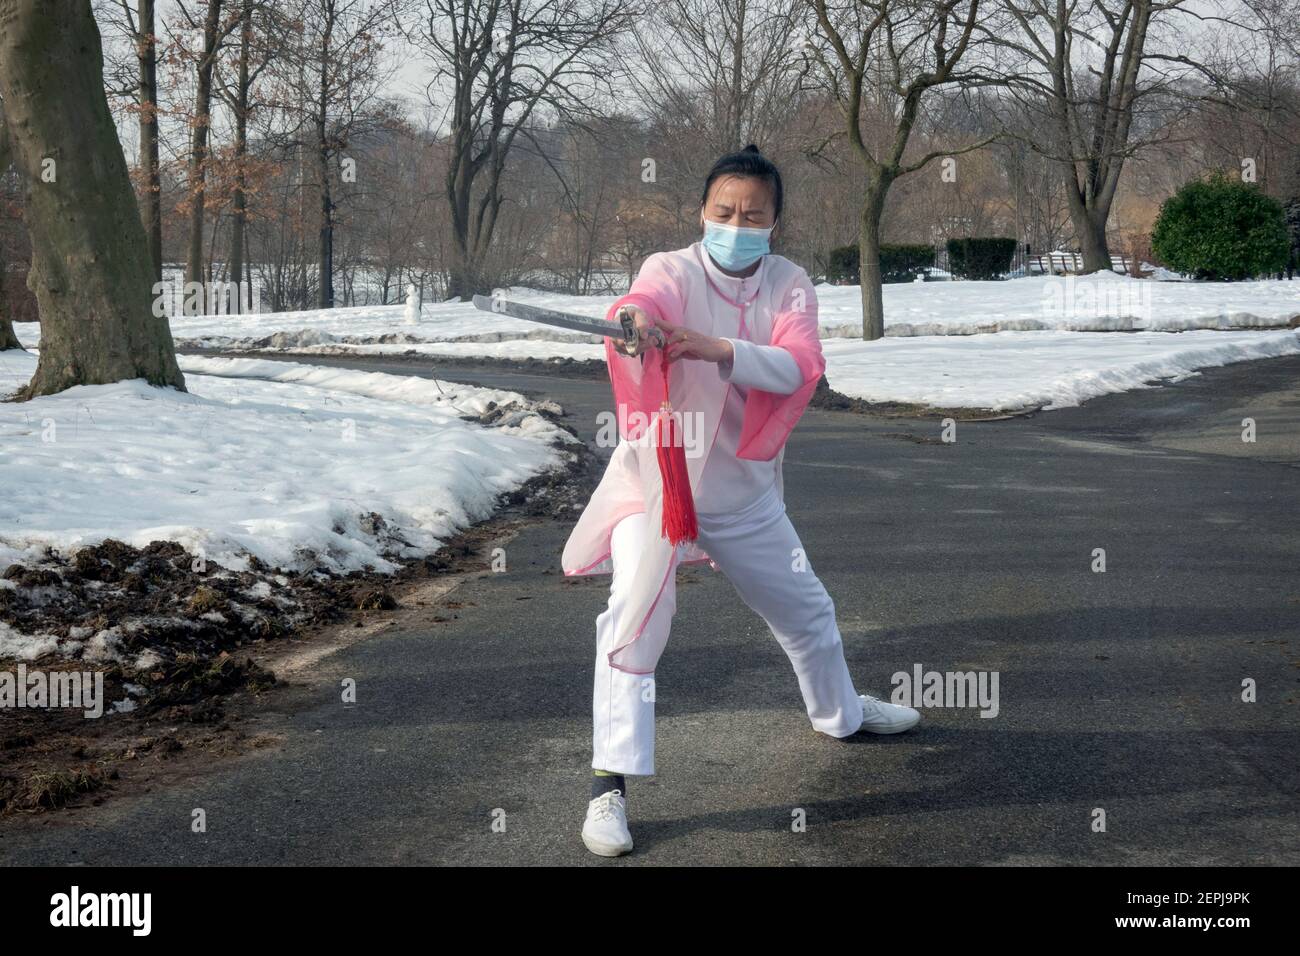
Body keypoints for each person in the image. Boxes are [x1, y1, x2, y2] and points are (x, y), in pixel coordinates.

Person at [561, 144, 921, 858]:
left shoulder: (789, 285)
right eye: (723, 210)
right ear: (703, 211)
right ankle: (609, 787)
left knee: (807, 609)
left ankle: (842, 715)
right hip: (656, 488)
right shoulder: (671, 269)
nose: (736, 222)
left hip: (743, 493)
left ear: (774, 223)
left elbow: (799, 366)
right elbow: (638, 306)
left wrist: (715, 347)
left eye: (752, 213)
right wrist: (636, 326)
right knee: (637, 614)